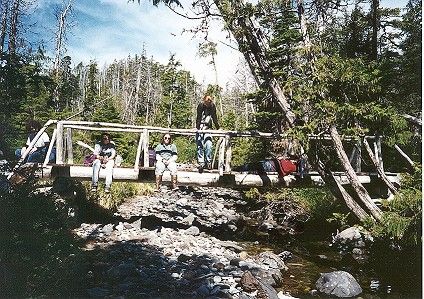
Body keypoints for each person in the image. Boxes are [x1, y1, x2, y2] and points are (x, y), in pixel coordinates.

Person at [195, 95, 220, 173]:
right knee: (200, 145)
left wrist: (218, 128)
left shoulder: (212, 106)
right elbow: (198, 117)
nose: (208, 104)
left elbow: (214, 117)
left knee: (208, 144)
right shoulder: (200, 106)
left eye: (209, 103)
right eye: (207, 103)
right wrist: (197, 128)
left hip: (208, 127)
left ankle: (208, 162)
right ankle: (201, 163)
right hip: (200, 126)